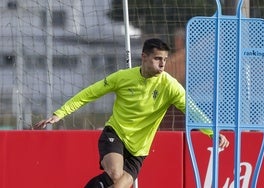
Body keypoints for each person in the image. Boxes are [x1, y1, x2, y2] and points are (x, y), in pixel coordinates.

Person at [34, 38, 229, 188]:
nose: (162, 64)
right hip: (116, 134)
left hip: (140, 149)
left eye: (165, 60)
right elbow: (90, 93)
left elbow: (192, 110)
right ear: (144, 57)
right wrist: (60, 113)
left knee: (118, 184)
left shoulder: (170, 86)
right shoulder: (122, 77)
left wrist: (213, 132)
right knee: (115, 174)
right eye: (157, 59)